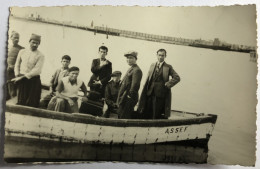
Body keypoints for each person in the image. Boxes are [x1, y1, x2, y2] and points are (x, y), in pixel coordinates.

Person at [138, 49, 180, 119]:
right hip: (149, 93)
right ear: (157, 55)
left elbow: (177, 77)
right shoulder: (152, 65)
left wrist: (168, 84)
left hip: (160, 95)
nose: (160, 57)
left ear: (165, 56)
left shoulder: (168, 67)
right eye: (159, 55)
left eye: (162, 55)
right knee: (147, 112)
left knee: (156, 113)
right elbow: (148, 78)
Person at [12, 33, 44, 108]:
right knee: (20, 101)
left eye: (37, 43)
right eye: (33, 42)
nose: (35, 45)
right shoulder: (22, 51)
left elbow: (37, 70)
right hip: (21, 79)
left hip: (33, 81)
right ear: (29, 41)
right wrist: (17, 75)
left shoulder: (40, 55)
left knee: (31, 103)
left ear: (39, 44)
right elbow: (17, 64)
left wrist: (23, 77)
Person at [117, 51, 142, 119]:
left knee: (124, 117)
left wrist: (128, 97)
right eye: (127, 58)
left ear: (135, 59)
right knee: (121, 115)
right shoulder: (131, 68)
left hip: (128, 98)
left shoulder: (137, 70)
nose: (128, 60)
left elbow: (135, 86)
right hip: (124, 98)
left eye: (131, 58)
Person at [6, 31, 24, 100]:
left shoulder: (21, 49)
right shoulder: (7, 47)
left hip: (13, 74)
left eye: (18, 38)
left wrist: (12, 67)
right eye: (15, 37)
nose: (17, 39)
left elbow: (22, 63)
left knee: (13, 93)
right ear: (11, 37)